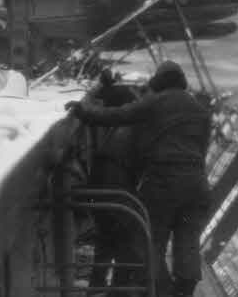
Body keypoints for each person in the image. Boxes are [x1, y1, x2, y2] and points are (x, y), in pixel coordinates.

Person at [67, 61, 212, 297]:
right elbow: (202, 150)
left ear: (160, 82)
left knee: (149, 242)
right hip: (198, 184)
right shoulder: (201, 111)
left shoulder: (157, 101)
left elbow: (119, 114)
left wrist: (85, 112)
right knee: (188, 241)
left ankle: (162, 292)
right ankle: (185, 290)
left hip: (164, 182)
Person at [85, 75, 143, 297]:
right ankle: (117, 292)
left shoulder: (114, 132)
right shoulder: (131, 130)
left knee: (105, 244)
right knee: (126, 246)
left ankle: (96, 289)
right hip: (117, 192)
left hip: (102, 191)